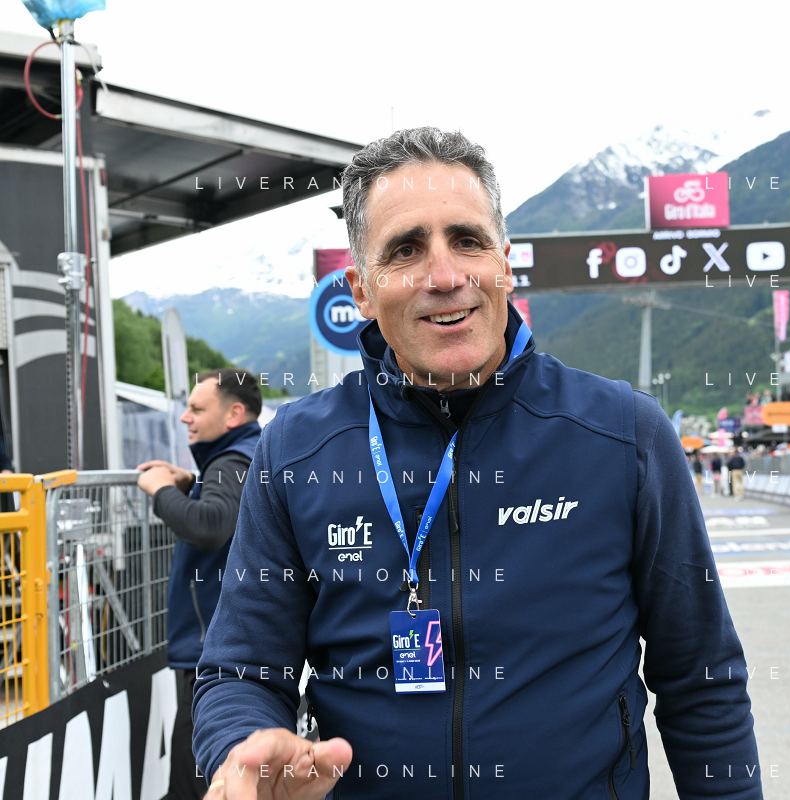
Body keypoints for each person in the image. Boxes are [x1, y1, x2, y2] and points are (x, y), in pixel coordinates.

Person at [191, 127, 759, 800]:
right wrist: (243, 750)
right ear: (361, 291)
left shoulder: (623, 434)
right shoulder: (296, 450)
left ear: (504, 264)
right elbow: (240, 672)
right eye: (406, 249)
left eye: (467, 240)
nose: (445, 276)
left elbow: (702, 681)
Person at [135, 368, 262, 800]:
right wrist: (192, 483)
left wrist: (160, 490)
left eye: (196, 408)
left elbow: (210, 525)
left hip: (214, 651)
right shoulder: (246, 456)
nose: (184, 417)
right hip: (233, 646)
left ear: (234, 414)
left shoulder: (231, 461)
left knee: (193, 781)